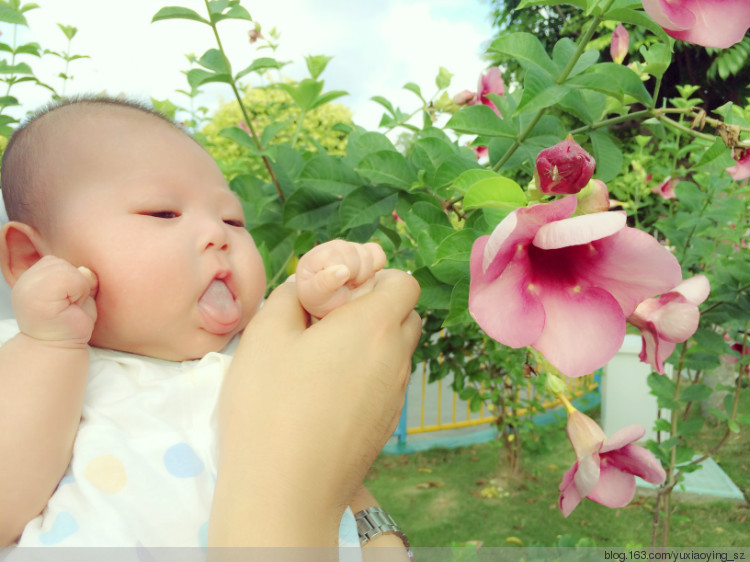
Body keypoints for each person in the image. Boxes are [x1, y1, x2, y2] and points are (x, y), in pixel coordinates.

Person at [0, 97, 421, 558]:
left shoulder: (257, 345)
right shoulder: (35, 364)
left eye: (232, 219)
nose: (217, 234)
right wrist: (50, 345)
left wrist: (330, 292)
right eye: (163, 213)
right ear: (34, 260)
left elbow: (329, 363)